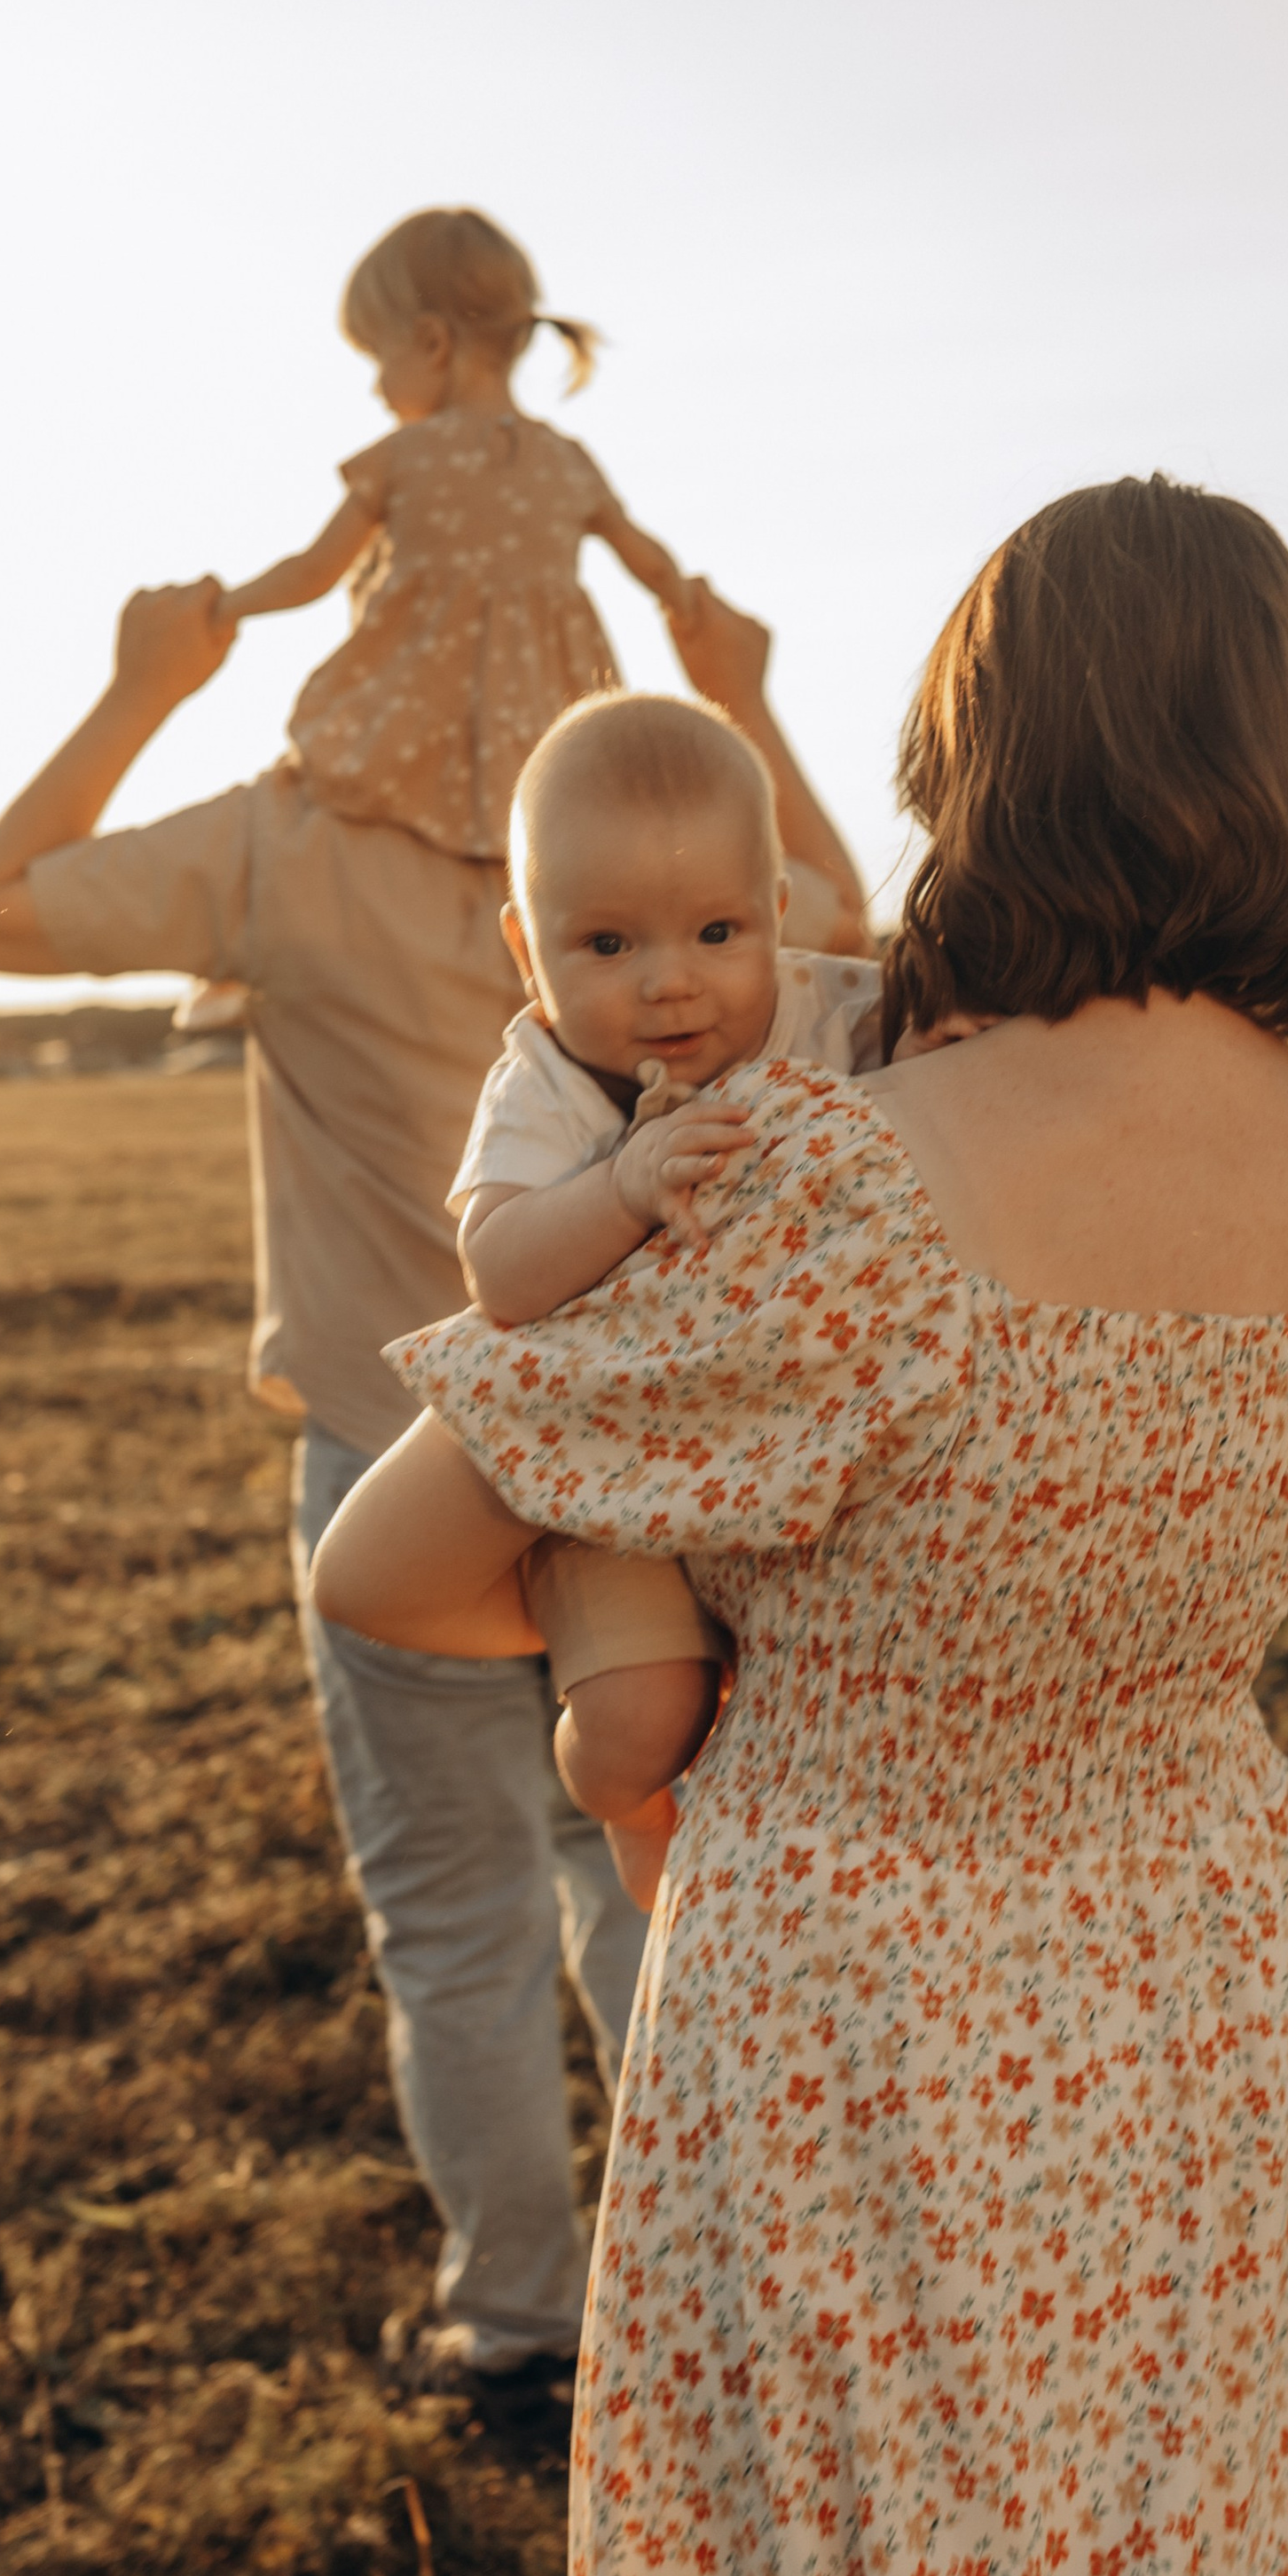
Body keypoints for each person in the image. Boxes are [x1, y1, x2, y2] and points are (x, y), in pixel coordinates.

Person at [313, 472, 1288, 2576]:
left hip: (857, 1996)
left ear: (983, 764)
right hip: (1191, 1983)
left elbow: (385, 1559)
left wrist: (681, 1640)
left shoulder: (848, 1179)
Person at [0, 557, 870, 2409]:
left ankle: (517, 2317)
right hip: (689, 1477)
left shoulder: (290, 846)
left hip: (403, 1462)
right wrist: (738, 692)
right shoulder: (679, 811)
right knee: (666, 1881)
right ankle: (716, 2296)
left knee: (455, 1915)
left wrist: (148, 683)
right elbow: (848, 930)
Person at [450, 686, 881, 1831]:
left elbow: (959, 1070)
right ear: (523, 946)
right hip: (605, 1470)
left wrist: (948, 1031)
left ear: (778, 913)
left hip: (777, 1436)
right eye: (605, 943)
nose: (668, 980)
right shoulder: (545, 1080)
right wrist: (619, 1186)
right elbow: (496, 1268)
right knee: (645, 1717)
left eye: (717, 933)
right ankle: (620, 1808)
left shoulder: (833, 1012)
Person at [173, 204, 703, 1036]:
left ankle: (254, 952)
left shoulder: (403, 457)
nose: (376, 387)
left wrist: (226, 604)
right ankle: (552, 1007)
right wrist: (690, 603)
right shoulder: (566, 461)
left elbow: (316, 571)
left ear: (429, 343)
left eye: (375, 360)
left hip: (410, 697)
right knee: (541, 852)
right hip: (545, 707)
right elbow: (650, 560)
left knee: (320, 794)